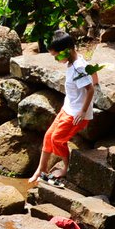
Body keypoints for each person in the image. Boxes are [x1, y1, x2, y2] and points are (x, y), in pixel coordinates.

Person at [27, 30, 97, 185]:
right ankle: (41, 169)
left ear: (68, 50)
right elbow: (94, 78)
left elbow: (90, 89)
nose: (56, 59)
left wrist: (83, 111)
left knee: (57, 139)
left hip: (76, 113)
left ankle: (66, 167)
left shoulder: (78, 67)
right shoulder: (74, 62)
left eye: (57, 56)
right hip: (68, 108)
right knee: (48, 136)